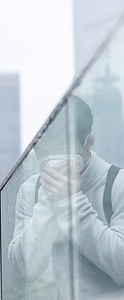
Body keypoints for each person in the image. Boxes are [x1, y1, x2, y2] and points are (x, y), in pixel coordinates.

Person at [8, 96, 124, 299]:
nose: (49, 163)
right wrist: (48, 198)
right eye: (42, 152)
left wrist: (70, 201)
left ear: (88, 143)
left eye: (61, 151)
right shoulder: (31, 190)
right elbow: (27, 268)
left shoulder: (118, 184)